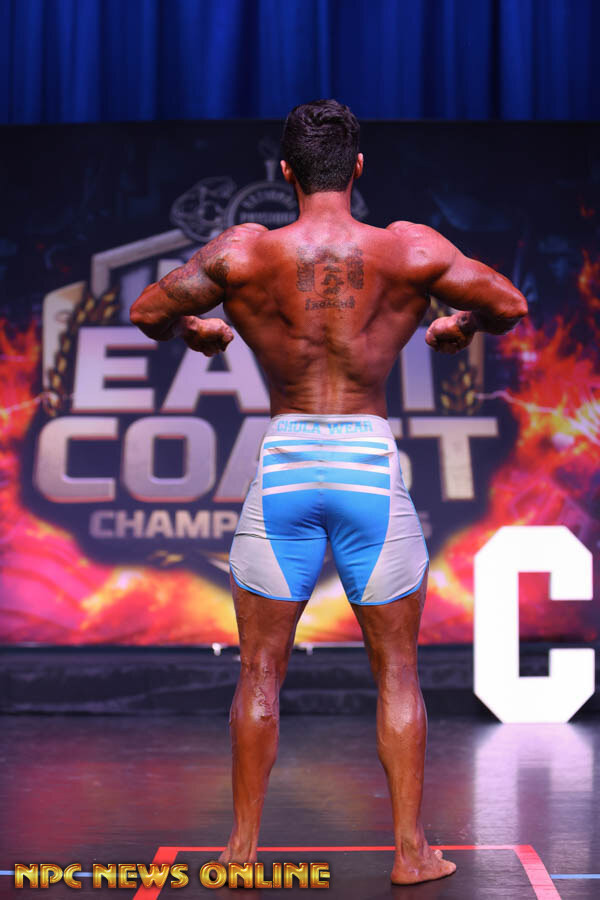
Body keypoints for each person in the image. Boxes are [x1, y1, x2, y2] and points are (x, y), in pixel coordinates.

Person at [130, 99, 528, 885]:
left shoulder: (244, 252)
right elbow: (509, 304)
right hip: (367, 467)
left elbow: (148, 311)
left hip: (284, 463)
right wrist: (460, 328)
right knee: (398, 671)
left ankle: (241, 852)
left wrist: (195, 330)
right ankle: (410, 853)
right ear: (358, 167)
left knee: (259, 671)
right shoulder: (409, 248)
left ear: (284, 171)